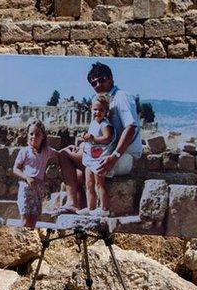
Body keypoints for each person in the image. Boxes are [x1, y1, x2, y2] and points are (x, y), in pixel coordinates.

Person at [57, 62, 142, 212]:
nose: (97, 85)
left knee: (64, 155)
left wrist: (114, 156)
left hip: (123, 157)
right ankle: (85, 208)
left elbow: (131, 128)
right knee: (77, 172)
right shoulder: (103, 100)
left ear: (111, 79)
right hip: (110, 153)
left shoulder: (121, 97)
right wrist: (83, 147)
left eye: (101, 80)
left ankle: (74, 204)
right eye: (93, 83)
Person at [12, 119, 58, 228]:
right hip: (26, 189)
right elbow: (15, 169)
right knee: (25, 221)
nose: (34, 137)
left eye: (37, 134)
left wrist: (69, 150)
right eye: (31, 134)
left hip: (38, 190)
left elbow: (59, 154)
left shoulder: (46, 151)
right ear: (27, 135)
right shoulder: (25, 151)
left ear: (43, 137)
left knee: (33, 222)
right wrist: (27, 177)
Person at [79, 95, 116, 216]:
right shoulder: (93, 123)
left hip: (100, 158)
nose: (97, 112)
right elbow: (91, 137)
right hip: (90, 158)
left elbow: (107, 138)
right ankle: (91, 208)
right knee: (88, 183)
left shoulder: (105, 124)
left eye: (101, 110)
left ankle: (104, 209)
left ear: (106, 112)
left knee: (99, 184)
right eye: (95, 109)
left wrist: (93, 138)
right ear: (91, 109)